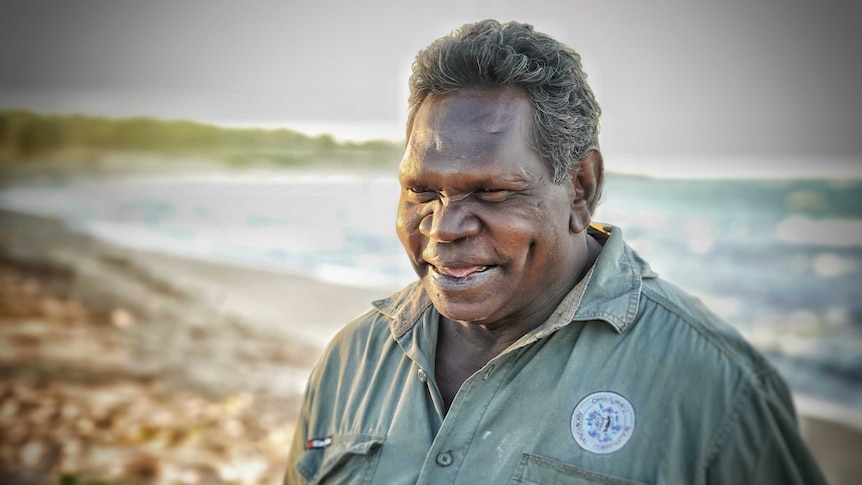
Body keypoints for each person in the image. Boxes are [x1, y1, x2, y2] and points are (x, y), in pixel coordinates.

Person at [284, 19, 826, 484]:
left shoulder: (714, 385)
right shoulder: (353, 357)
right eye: (422, 191)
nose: (444, 227)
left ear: (581, 187)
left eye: (492, 191)